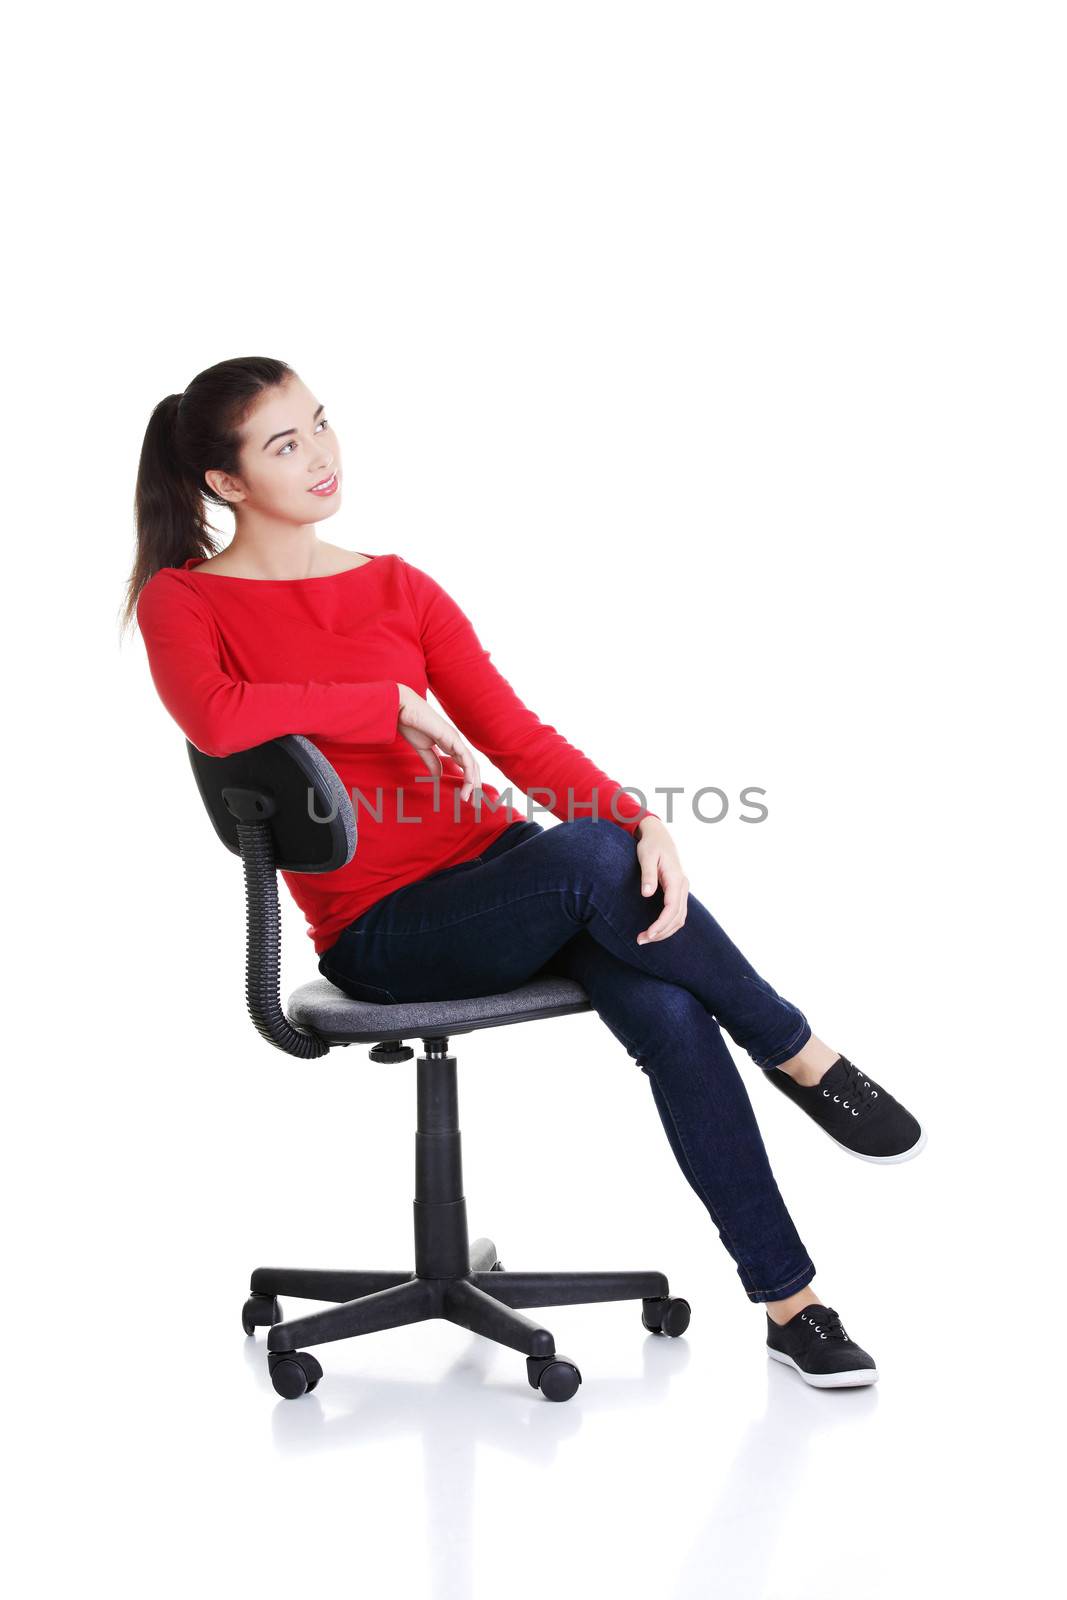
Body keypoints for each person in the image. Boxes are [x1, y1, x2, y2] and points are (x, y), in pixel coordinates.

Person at [124, 354, 926, 1390]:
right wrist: (382, 707)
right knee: (594, 862)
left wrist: (641, 820)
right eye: (285, 444)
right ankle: (798, 1051)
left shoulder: (398, 585)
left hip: (508, 872)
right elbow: (218, 716)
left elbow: (512, 736)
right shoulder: (184, 602)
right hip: (382, 925)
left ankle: (790, 1305)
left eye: (321, 424)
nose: (322, 454)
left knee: (665, 1000)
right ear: (226, 483)